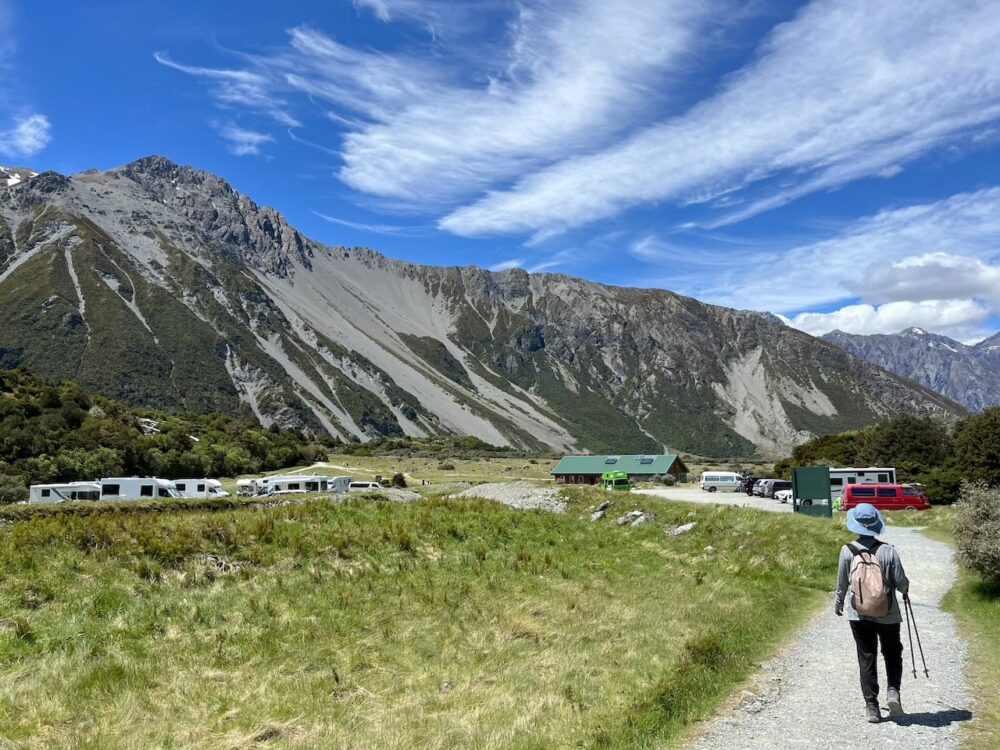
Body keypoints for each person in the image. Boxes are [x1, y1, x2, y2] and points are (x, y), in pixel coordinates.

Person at [834, 503, 910, 723]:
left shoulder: (847, 550)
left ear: (855, 525)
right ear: (876, 524)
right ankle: (893, 691)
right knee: (892, 652)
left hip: (859, 614)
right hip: (888, 615)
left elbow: (842, 583)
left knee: (867, 656)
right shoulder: (888, 550)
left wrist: (839, 603)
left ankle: (872, 707)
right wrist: (905, 590)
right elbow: (901, 582)